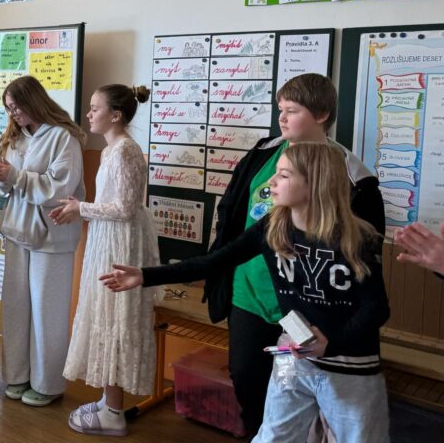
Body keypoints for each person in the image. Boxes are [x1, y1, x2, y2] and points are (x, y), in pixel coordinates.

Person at [102, 142, 391, 443]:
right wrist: (146, 275)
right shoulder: (273, 227)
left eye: (284, 175)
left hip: (349, 365)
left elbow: (377, 309)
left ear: (315, 183)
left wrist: (331, 343)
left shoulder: (357, 238)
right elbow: (214, 261)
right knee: (272, 436)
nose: (271, 182)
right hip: (293, 356)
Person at [202, 74, 385, 441]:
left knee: (312, 397)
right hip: (250, 294)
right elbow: (232, 213)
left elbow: (364, 259)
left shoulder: (354, 176)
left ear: (321, 114)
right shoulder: (262, 154)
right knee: (248, 378)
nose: (282, 119)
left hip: (311, 310)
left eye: (292, 110)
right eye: (280, 110)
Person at [50, 84, 158, 437]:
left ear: (116, 115)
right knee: (104, 315)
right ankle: (108, 401)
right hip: (108, 239)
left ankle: (113, 413)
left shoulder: (125, 150)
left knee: (115, 318)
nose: (89, 114)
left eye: (95, 108)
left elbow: (125, 208)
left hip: (120, 245)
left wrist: (80, 208)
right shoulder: (113, 149)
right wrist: (81, 208)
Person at [0, 76, 86, 407]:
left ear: (34, 101)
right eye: (8, 108)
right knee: (15, 307)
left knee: (47, 311)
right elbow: (4, 189)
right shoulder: (13, 138)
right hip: (17, 230)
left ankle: (48, 383)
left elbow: (60, 188)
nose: (13, 114)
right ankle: (18, 376)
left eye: (16, 106)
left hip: (52, 236)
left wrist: (14, 176)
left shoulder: (63, 137)